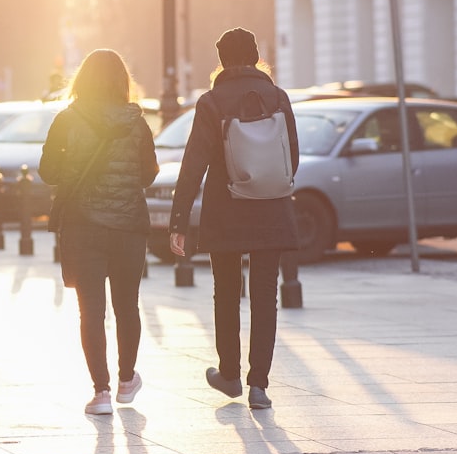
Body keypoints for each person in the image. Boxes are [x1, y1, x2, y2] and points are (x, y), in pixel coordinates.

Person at [168, 28, 300, 410]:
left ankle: (229, 375)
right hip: (271, 207)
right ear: (257, 57)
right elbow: (292, 154)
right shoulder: (278, 97)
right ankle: (259, 384)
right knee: (265, 296)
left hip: (226, 209)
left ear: (222, 61)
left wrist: (179, 221)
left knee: (226, 292)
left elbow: (193, 164)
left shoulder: (211, 102)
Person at [39, 49, 159, 415]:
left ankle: (101, 392)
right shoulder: (136, 123)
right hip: (128, 228)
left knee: (90, 310)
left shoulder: (67, 120)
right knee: (127, 306)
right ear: (122, 81)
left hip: (82, 225)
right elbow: (148, 173)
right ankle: (126, 381)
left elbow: (47, 171)